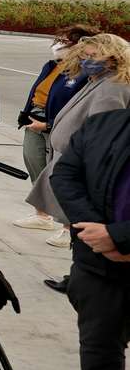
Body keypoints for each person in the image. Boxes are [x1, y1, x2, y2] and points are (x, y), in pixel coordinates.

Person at [45, 108, 130, 370]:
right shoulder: (103, 123)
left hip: (110, 244)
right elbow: (64, 176)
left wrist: (119, 237)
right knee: (99, 339)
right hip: (96, 258)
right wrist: (96, 234)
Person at [27, 33, 130, 252]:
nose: (87, 61)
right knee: (76, 224)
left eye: (94, 56)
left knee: (84, 225)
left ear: (113, 58)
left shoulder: (113, 86)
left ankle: (79, 270)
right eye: (84, 55)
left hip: (84, 164)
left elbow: (102, 132)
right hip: (72, 157)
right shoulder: (99, 80)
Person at [14, 25, 98, 233]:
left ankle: (69, 227)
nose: (58, 44)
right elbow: (38, 90)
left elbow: (78, 107)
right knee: (35, 165)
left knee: (61, 176)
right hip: (35, 119)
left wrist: (49, 124)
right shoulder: (51, 65)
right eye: (58, 39)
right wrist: (27, 114)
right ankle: (42, 215)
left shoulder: (84, 73)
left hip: (59, 128)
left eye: (64, 41)